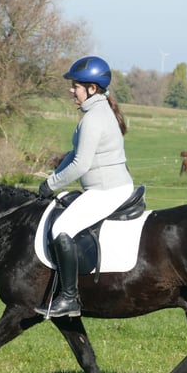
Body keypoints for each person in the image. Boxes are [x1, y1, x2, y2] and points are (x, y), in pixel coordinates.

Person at [35, 56, 134, 318]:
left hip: (107, 191)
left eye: (76, 85)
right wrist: (53, 176)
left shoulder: (93, 118)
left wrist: (52, 184)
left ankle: (69, 298)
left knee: (61, 228)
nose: (71, 90)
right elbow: (75, 153)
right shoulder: (97, 112)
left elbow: (80, 165)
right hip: (107, 187)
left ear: (92, 88)